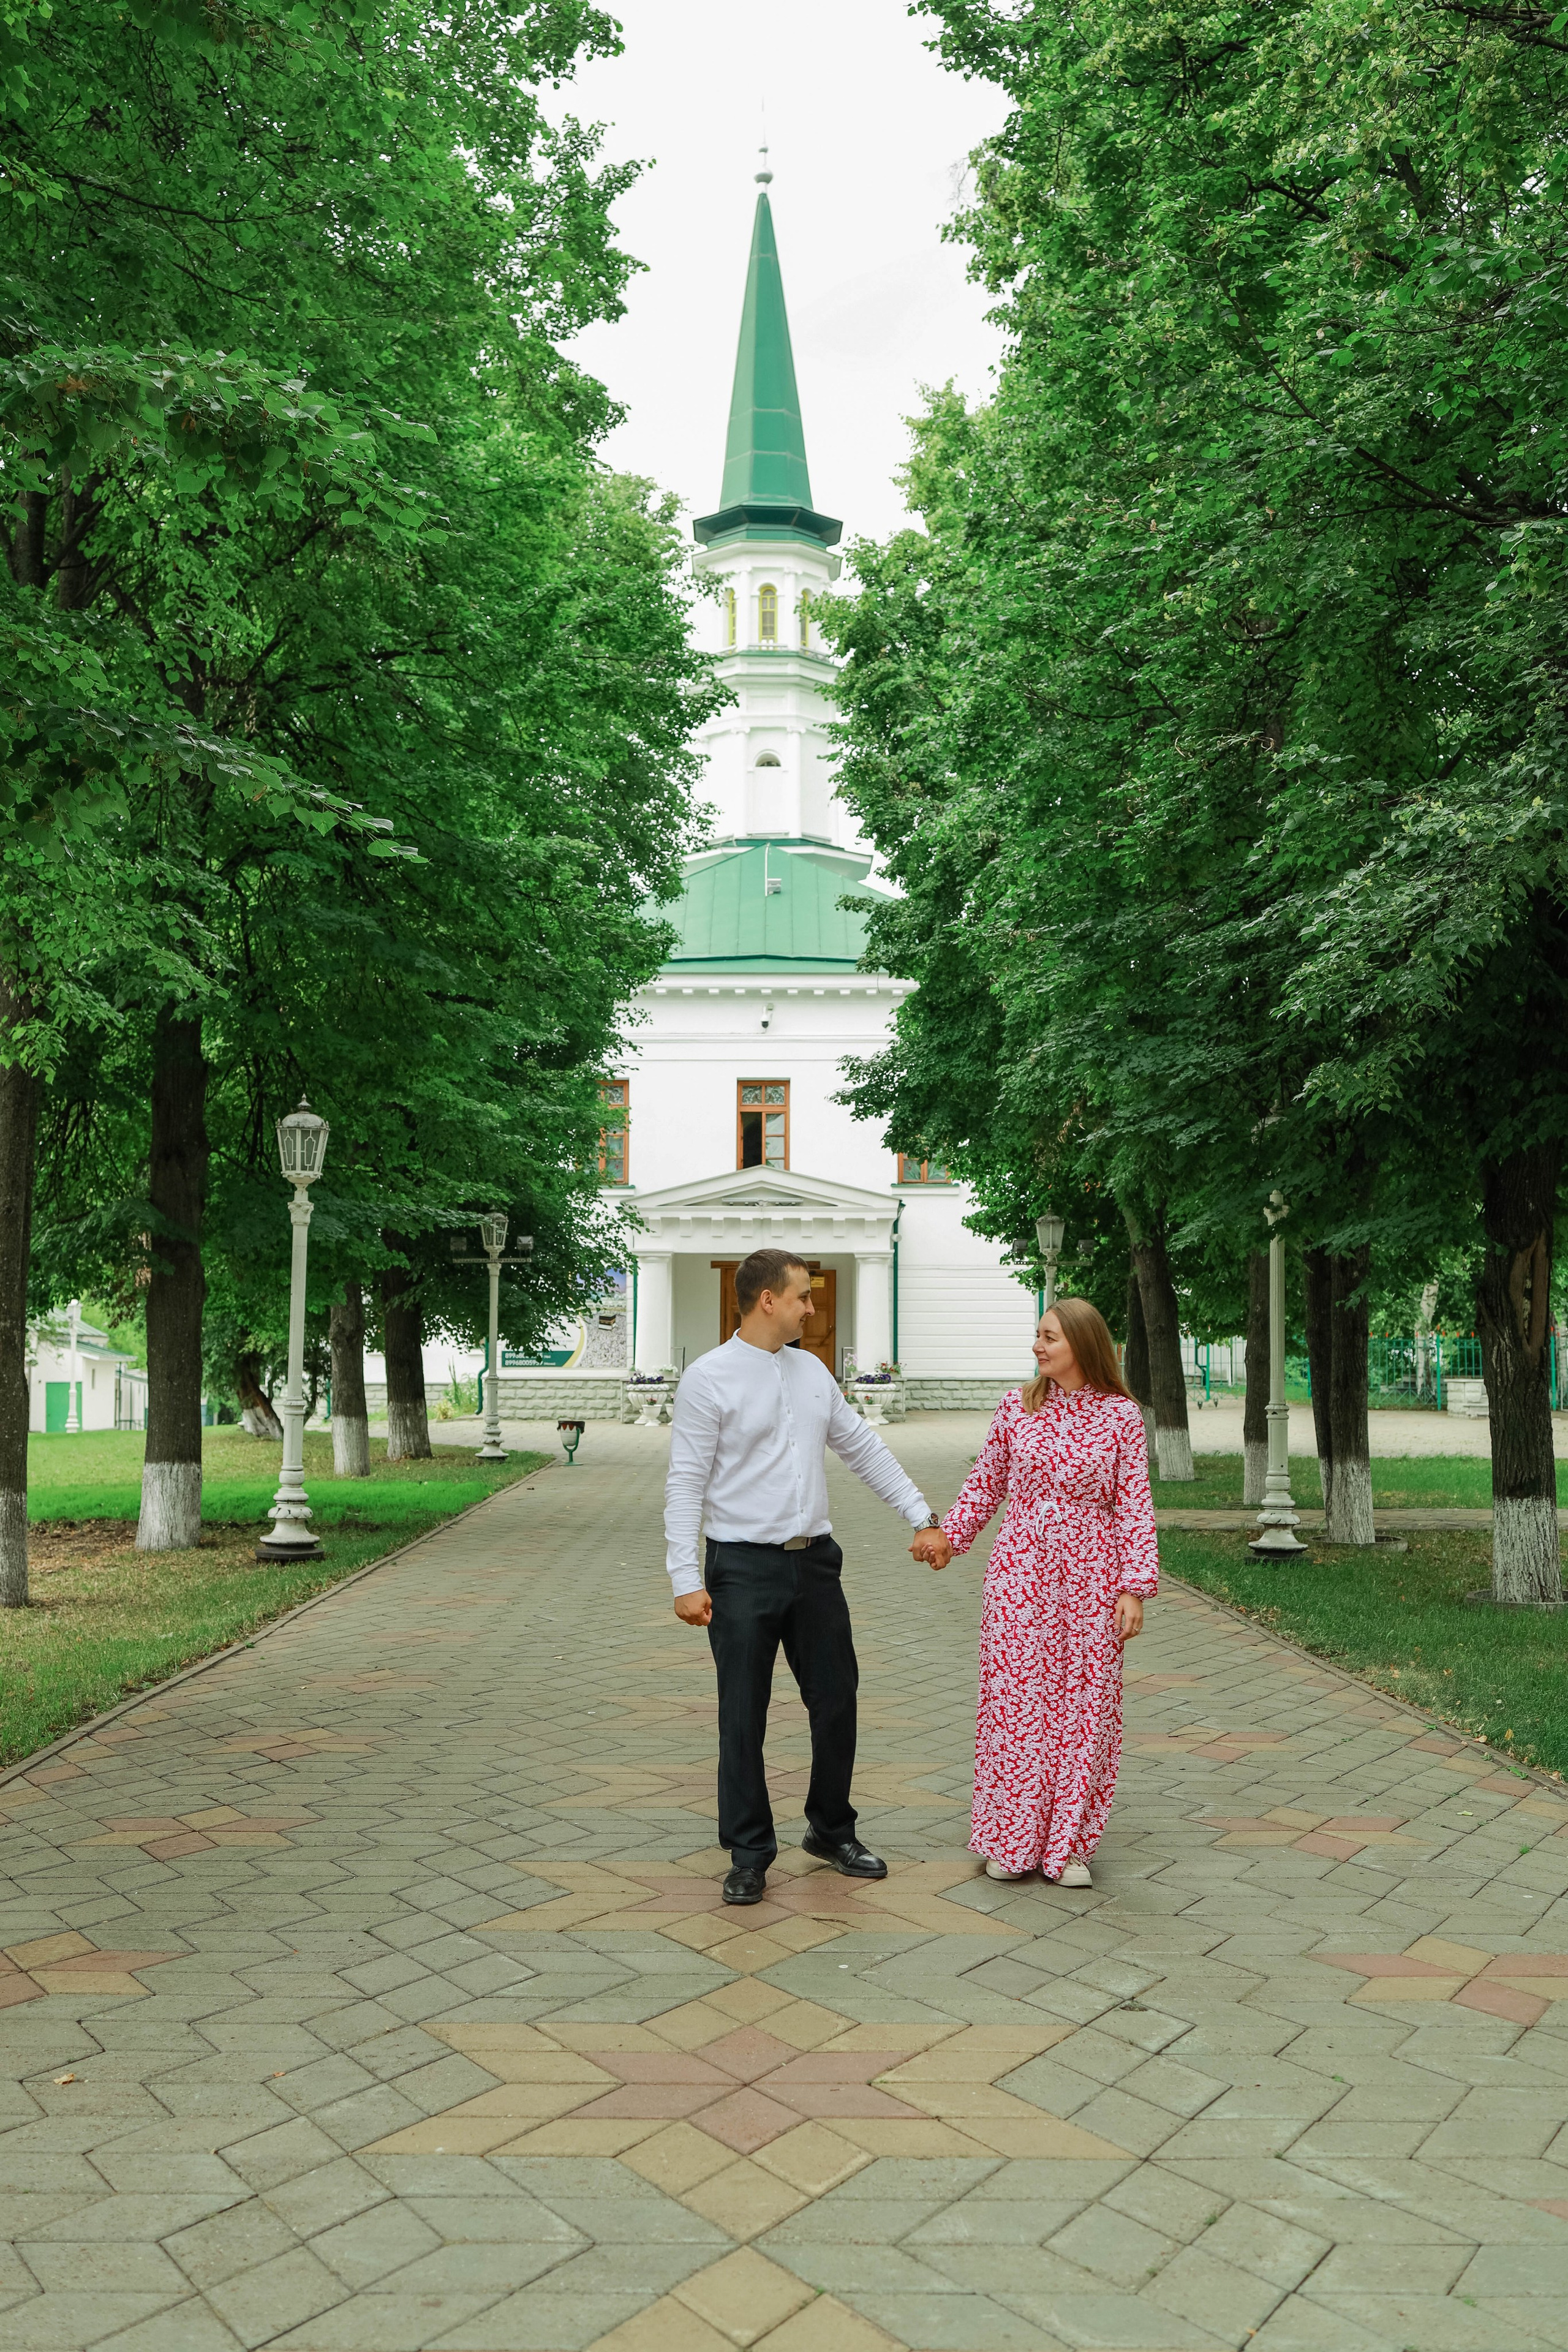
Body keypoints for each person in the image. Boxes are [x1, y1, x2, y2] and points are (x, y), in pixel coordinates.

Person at [665, 1246, 952, 1906]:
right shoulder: (708, 1379)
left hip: (816, 1563)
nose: (811, 1307)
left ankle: (830, 1829)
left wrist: (921, 1516)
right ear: (768, 1300)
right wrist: (686, 1576)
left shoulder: (812, 1372)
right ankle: (748, 1850)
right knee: (743, 1712)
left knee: (836, 1700)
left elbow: (862, 1448)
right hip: (740, 1567)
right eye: (802, 1296)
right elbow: (685, 1484)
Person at [911, 1296, 1157, 1888]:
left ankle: (1068, 1848)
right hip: (1021, 1578)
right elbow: (986, 1484)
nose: (1037, 1346)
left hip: (1093, 1580)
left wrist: (1134, 1587)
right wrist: (949, 1537)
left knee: (1084, 1709)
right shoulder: (1015, 1409)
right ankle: (1011, 1840)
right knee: (1017, 1706)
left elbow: (1135, 1507)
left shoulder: (1121, 1416)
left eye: (1049, 1337)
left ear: (1082, 1344)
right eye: (1036, 1335)